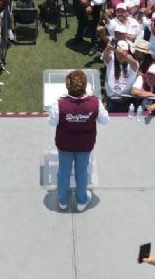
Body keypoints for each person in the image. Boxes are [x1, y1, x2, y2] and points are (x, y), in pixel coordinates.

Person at [48, 69, 109, 212]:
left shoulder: (59, 104)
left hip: (65, 144)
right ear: (85, 85)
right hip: (85, 145)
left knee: (63, 171)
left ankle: (62, 201)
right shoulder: (95, 102)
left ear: (68, 86)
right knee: (82, 171)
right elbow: (105, 120)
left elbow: (51, 122)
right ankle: (81, 201)